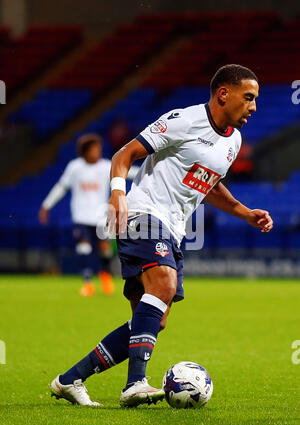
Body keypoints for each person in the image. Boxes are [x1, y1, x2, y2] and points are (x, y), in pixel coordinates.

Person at [50, 64, 274, 407]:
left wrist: (245, 212)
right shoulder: (183, 120)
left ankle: (70, 379)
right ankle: (135, 384)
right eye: (248, 98)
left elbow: (210, 183)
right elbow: (125, 154)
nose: (254, 107)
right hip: (143, 213)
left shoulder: (234, 141)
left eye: (255, 100)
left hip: (174, 228)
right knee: (164, 286)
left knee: (154, 319)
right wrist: (117, 193)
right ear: (223, 94)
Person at [39, 133, 115, 297]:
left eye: (99, 149)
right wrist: (46, 205)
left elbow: (126, 171)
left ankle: (106, 276)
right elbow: (61, 187)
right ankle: (87, 283)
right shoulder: (75, 167)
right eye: (95, 149)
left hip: (101, 216)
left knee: (105, 248)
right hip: (81, 216)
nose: (98, 152)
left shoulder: (105, 166)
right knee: (84, 246)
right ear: (85, 152)